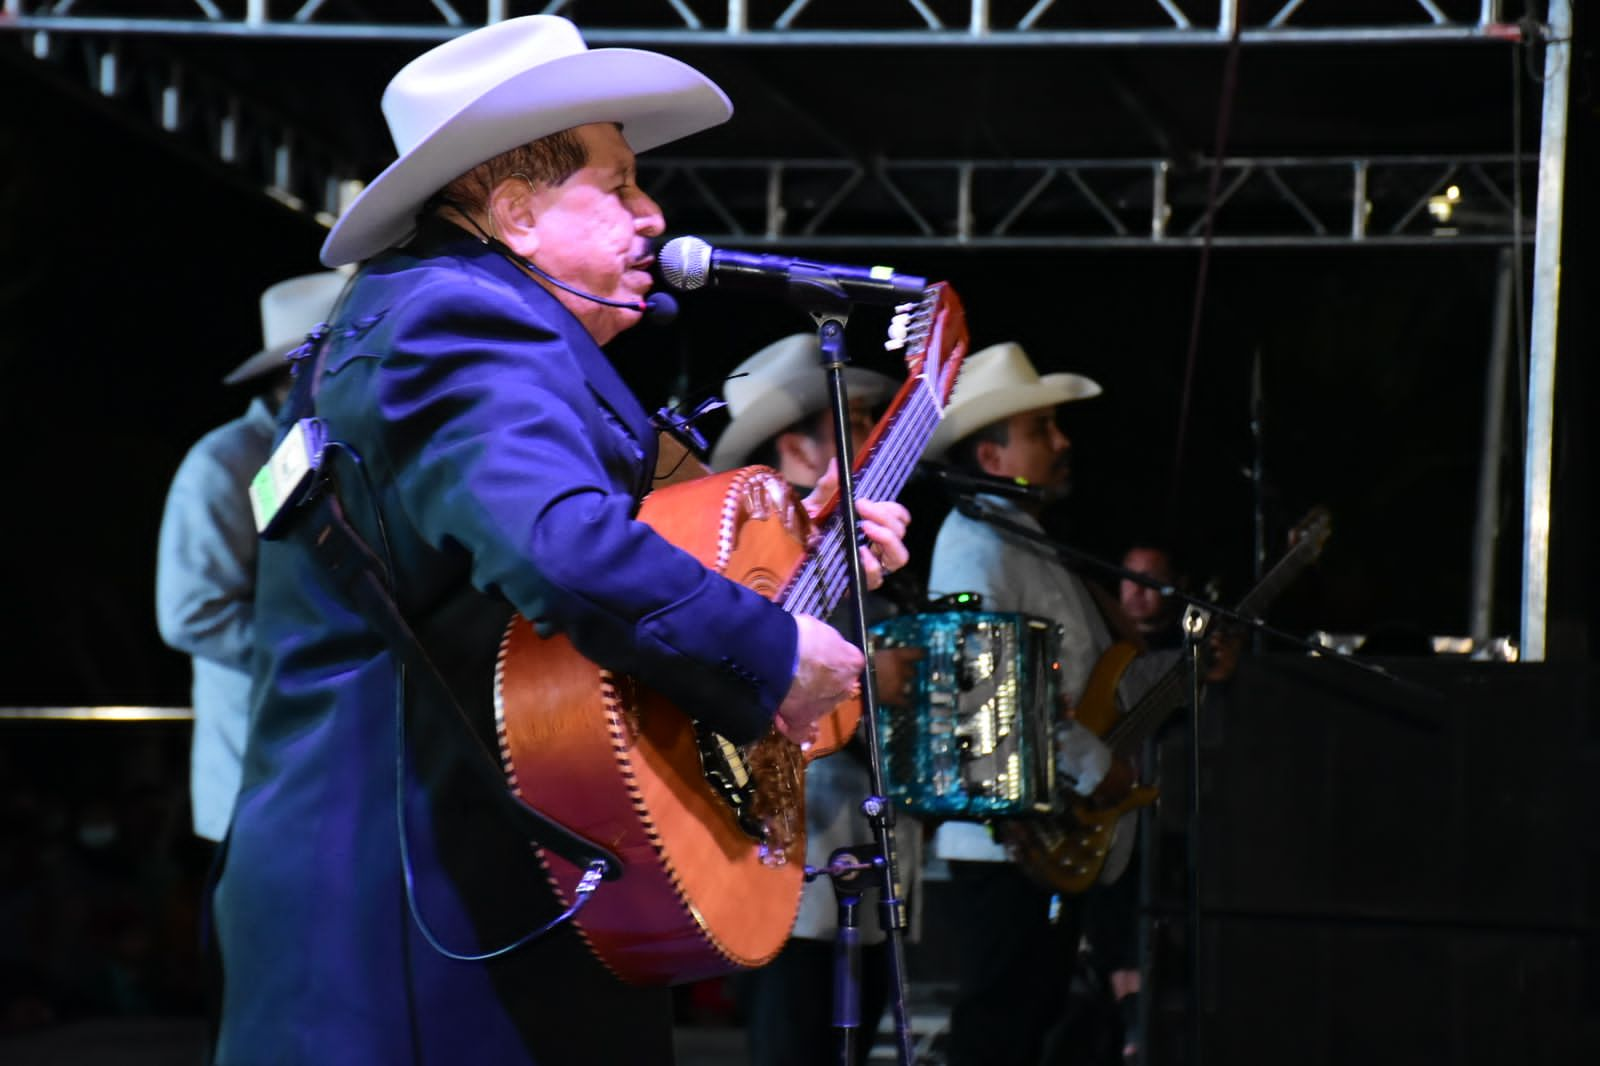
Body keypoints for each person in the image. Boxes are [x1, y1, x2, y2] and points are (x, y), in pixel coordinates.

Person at [210, 16, 910, 1065]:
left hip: (482, 884)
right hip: (415, 902)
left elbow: (554, 568)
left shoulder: (464, 315)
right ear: (514, 212)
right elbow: (562, 548)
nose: (653, 215)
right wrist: (769, 654)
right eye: (618, 184)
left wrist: (798, 558)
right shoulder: (459, 317)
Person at [922, 341, 1154, 1066]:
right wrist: (1095, 767)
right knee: (1002, 1022)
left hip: (1038, 831)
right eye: (1042, 429)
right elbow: (988, 692)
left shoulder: (1020, 540)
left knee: (1027, 1016)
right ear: (992, 457)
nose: (1062, 441)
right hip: (1008, 837)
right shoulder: (976, 548)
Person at [712, 333, 922, 1066]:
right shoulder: (752, 546)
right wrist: (871, 679)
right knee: (796, 1034)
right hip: (789, 851)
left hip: (851, 845)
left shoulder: (840, 537)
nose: (874, 436)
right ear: (797, 449)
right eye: (856, 421)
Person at [155, 270, 348, 843]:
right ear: (300, 372)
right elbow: (191, 614)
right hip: (259, 780)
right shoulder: (222, 465)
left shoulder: (337, 449)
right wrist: (323, 648)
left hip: (321, 773)